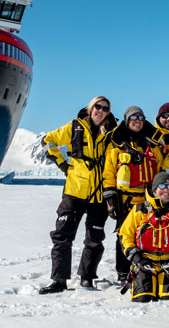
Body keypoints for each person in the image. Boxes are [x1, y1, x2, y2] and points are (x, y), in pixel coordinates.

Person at [40, 96, 117, 294]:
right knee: (62, 235)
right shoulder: (75, 127)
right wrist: (63, 165)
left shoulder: (111, 132)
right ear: (91, 109)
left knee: (94, 238)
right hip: (75, 191)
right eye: (97, 107)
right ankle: (59, 280)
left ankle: (87, 278)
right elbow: (48, 141)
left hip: (99, 193)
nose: (100, 111)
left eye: (105, 108)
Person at [103, 106, 164, 283]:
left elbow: (159, 167)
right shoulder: (117, 145)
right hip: (126, 199)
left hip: (148, 199)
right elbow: (109, 173)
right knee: (124, 236)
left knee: (147, 233)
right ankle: (123, 272)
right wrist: (110, 200)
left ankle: (144, 269)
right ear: (126, 120)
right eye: (133, 118)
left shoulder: (151, 143)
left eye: (140, 118)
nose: (137, 121)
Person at [119, 171, 169, 302]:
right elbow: (125, 235)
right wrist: (138, 260)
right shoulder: (140, 210)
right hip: (145, 264)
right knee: (142, 298)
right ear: (154, 189)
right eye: (162, 186)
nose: (166, 190)